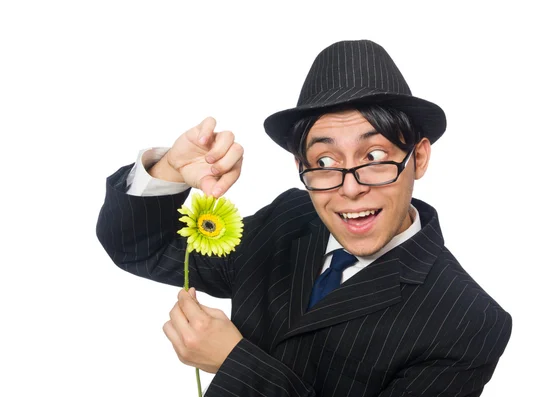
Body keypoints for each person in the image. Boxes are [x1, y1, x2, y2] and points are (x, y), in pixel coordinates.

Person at [97, 40, 511, 396]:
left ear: (418, 157)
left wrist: (233, 363)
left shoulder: (469, 322)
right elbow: (142, 249)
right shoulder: (288, 218)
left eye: (375, 157)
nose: (350, 188)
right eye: (325, 160)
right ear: (301, 164)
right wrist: (168, 168)